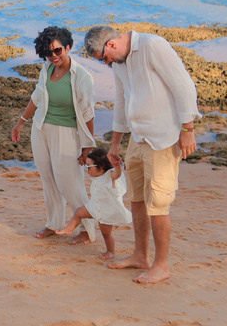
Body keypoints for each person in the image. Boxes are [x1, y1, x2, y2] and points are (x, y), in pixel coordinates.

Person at [83, 25, 199, 284]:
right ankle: (140, 256)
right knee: (136, 199)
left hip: (163, 138)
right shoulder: (120, 63)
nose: (105, 63)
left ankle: (161, 265)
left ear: (111, 45)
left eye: (103, 58)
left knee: (158, 203)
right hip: (137, 138)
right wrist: (115, 144)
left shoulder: (152, 45)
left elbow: (184, 86)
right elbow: (122, 100)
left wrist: (188, 129)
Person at [9, 26, 98, 242]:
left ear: (68, 47)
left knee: (69, 183)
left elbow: (88, 113)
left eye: (57, 50)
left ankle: (88, 229)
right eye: (49, 53)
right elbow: (37, 96)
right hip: (41, 129)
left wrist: (88, 148)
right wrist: (21, 122)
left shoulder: (82, 77)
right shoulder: (47, 68)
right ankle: (54, 223)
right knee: (48, 180)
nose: (54, 56)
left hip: (67, 134)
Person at [55, 147, 131, 260]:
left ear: (101, 168)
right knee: (79, 212)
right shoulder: (97, 176)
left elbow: (117, 174)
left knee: (106, 233)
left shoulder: (109, 176)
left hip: (106, 211)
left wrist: (117, 166)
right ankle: (69, 228)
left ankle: (111, 251)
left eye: (89, 167)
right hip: (95, 206)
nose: (87, 170)